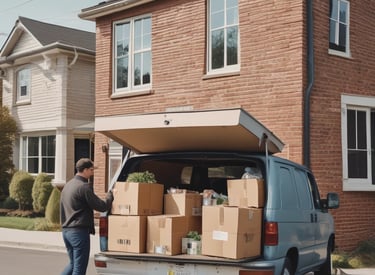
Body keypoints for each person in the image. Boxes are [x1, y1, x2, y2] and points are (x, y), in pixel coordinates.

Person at [60, 158, 113, 275]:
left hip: (66, 232)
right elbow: (101, 206)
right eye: (91, 169)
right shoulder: (84, 187)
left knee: (73, 264)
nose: (93, 172)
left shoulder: (67, 186)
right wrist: (110, 196)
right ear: (84, 170)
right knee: (79, 269)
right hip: (78, 233)